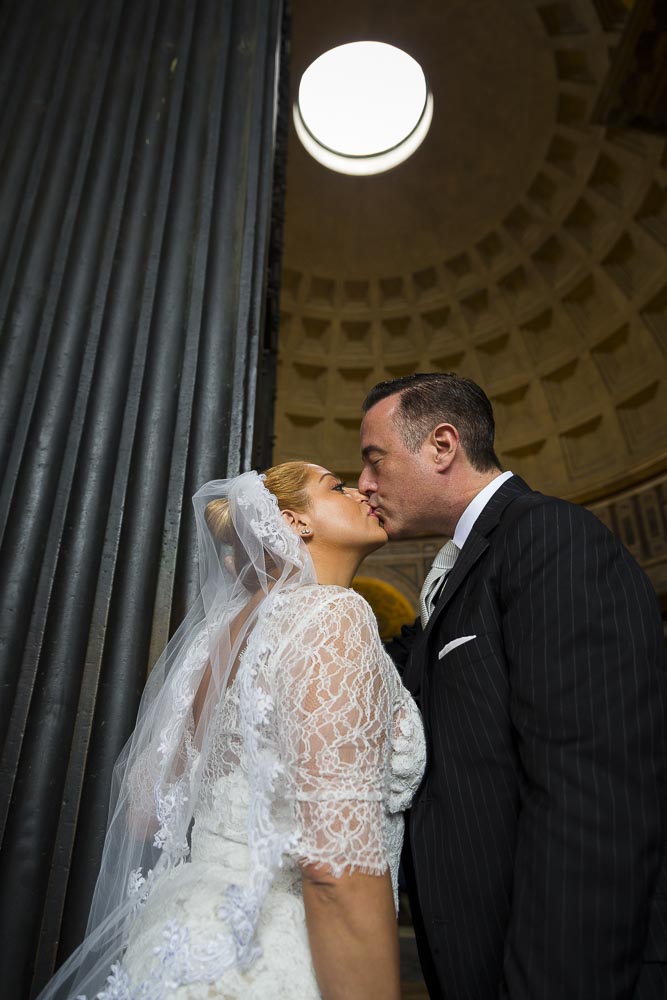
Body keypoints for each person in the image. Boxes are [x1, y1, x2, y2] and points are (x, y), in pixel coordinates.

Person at [39, 462, 426, 1000]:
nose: (360, 490)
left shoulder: (221, 635)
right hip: (279, 941)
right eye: (334, 487)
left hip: (188, 920)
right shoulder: (332, 614)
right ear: (296, 523)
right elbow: (336, 861)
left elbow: (144, 809)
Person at [358, 372, 667, 1000]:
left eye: (374, 460)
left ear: (442, 446)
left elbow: (592, 798)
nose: (364, 484)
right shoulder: (465, 566)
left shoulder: (550, 538)